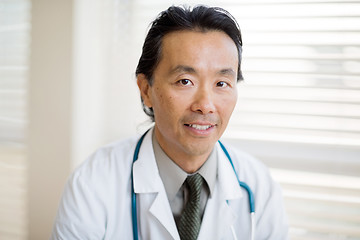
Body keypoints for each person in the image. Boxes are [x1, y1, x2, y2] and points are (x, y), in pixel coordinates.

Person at [51, 5, 288, 240]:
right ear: (146, 90)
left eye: (221, 83)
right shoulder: (93, 184)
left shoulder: (259, 187)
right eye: (185, 81)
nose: (205, 105)